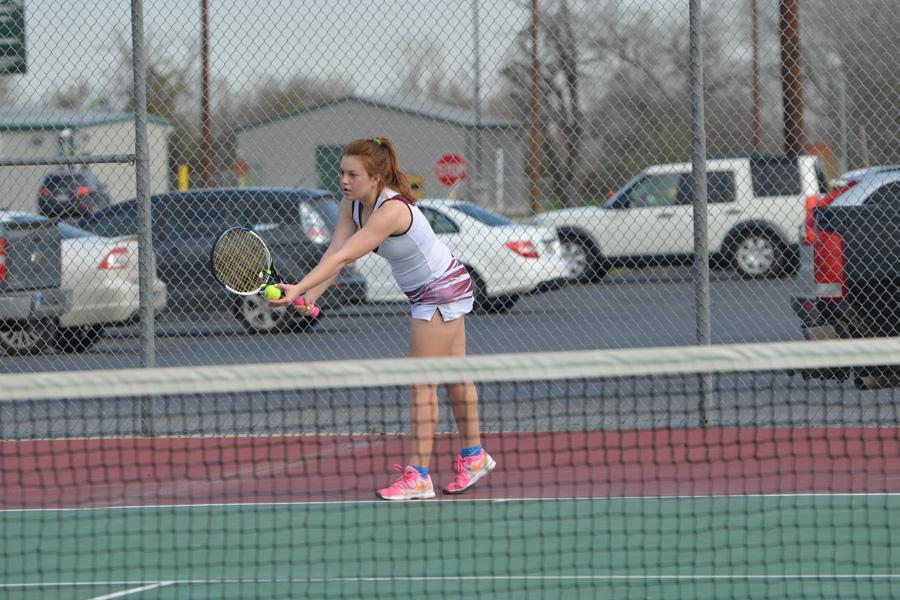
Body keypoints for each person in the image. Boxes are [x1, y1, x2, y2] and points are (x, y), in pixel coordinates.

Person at [270, 136, 495, 500]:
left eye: (353, 174)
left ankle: (419, 476)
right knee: (455, 375)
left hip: (439, 288)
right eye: (342, 173)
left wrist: (297, 288)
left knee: (421, 382)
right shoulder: (351, 205)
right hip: (438, 284)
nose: (344, 181)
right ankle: (474, 456)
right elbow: (336, 251)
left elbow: (343, 258)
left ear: (375, 178)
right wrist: (311, 295)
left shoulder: (391, 210)